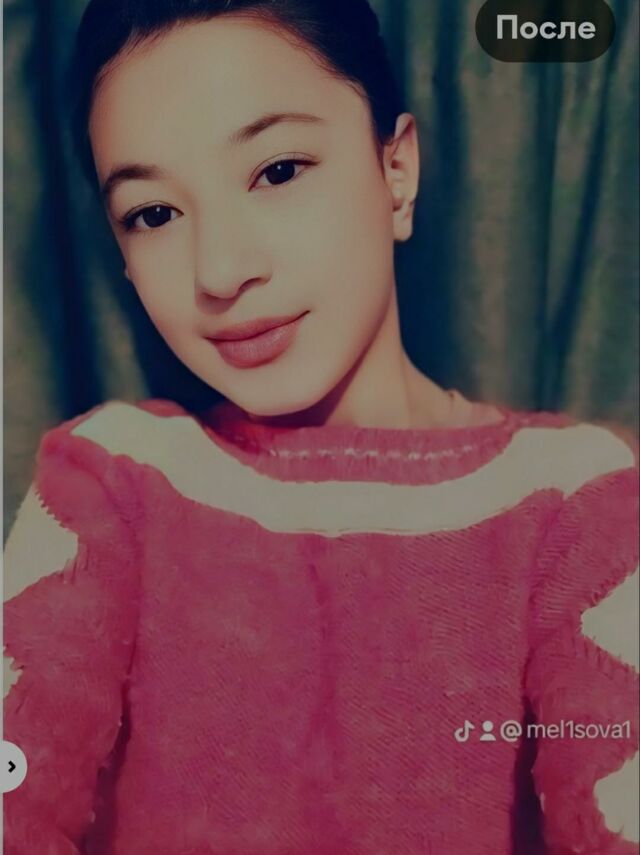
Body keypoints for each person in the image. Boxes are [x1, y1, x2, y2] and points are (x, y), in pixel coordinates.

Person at [3, 1, 638, 852]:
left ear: (396, 169)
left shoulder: (573, 494)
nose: (221, 270)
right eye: (153, 213)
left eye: (278, 170)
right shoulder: (109, 479)